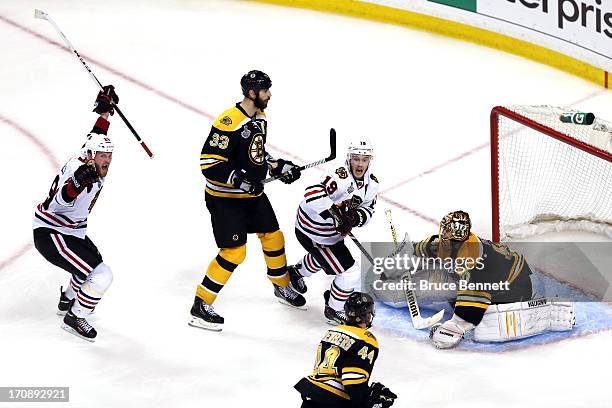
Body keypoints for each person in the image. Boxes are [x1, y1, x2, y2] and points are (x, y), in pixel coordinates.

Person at [189, 70, 305, 331]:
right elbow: (209, 164)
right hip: (224, 199)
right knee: (234, 252)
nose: (270, 95)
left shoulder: (260, 117)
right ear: (252, 93)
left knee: (273, 236)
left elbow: (255, 155)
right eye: (266, 91)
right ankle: (201, 303)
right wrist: (240, 181)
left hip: (250, 195)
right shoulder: (229, 122)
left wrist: (279, 167)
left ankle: (281, 285)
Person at [33, 86, 119, 342]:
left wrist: (105, 111)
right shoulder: (79, 172)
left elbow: (97, 134)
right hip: (52, 234)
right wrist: (77, 184)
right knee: (101, 274)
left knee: (90, 265)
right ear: (92, 156)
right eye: (102, 156)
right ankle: (75, 316)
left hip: (71, 230)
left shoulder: (87, 154)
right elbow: (62, 198)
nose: (107, 160)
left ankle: (67, 298)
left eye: (109, 155)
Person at [417, 211, 575, 349]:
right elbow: (425, 248)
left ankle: (538, 310)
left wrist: (452, 329)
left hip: (515, 285)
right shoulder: (447, 243)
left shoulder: (477, 266)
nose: (443, 238)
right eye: (443, 233)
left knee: (487, 323)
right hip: (496, 273)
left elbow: (465, 317)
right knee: (441, 284)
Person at [288, 139, 378, 324]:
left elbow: (368, 209)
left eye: (364, 159)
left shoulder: (372, 184)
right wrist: (336, 214)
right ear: (349, 158)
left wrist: (355, 219)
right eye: (356, 158)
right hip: (313, 230)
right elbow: (311, 193)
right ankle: (334, 309)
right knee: (350, 273)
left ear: (370, 160)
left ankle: (296, 273)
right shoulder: (340, 176)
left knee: (326, 260)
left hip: (330, 235)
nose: (360, 163)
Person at [294, 292, 397, 408]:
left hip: (312, 394)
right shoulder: (366, 338)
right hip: (333, 400)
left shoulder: (332, 331)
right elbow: (352, 379)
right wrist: (366, 401)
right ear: (367, 315)